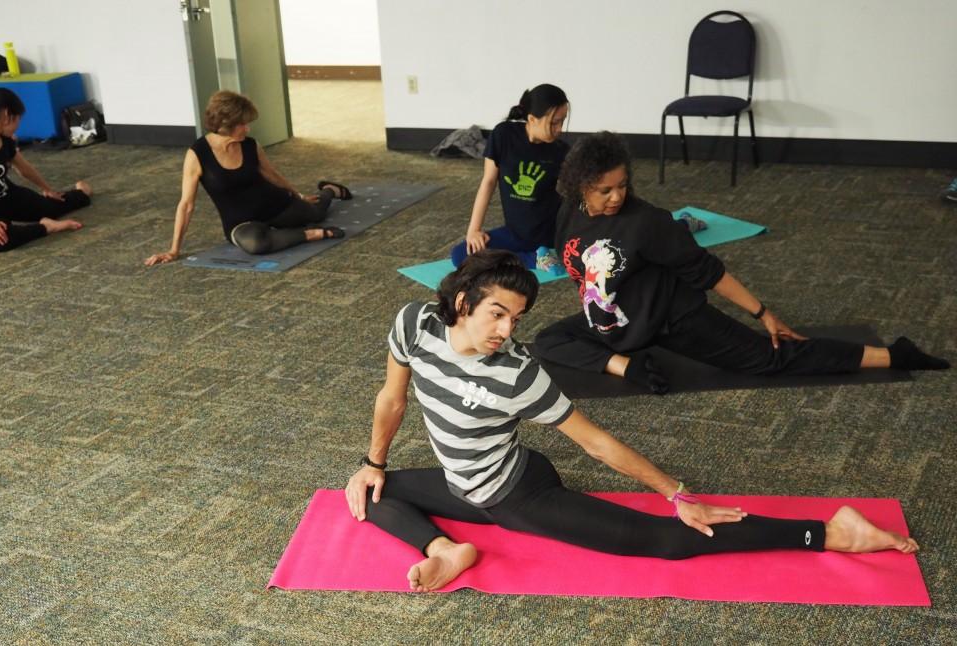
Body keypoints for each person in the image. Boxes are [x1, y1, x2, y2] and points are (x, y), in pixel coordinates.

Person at [345, 250, 918, 592]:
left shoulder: (519, 374)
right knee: (367, 493)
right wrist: (374, 462)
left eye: (516, 319)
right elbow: (392, 399)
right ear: (463, 299)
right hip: (456, 483)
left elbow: (596, 443)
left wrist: (677, 494)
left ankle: (833, 531)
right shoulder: (413, 325)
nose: (506, 331)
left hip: (516, 492)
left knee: (663, 543)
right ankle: (445, 549)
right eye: (498, 313)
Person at [534, 132, 949, 394]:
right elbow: (581, 277)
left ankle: (894, 355)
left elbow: (708, 272)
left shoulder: (649, 223)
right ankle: (628, 366)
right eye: (604, 190)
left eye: (623, 185)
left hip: (672, 319)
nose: (616, 196)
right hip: (616, 326)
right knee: (548, 340)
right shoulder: (569, 214)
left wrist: (763, 313)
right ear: (580, 187)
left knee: (768, 361)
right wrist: (623, 358)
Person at [144, 90, 350, 266]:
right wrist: (174, 250)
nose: (248, 128)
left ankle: (330, 190)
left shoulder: (250, 144)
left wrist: (297, 194)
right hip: (240, 222)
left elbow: (271, 174)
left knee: (316, 213)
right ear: (227, 124)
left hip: (274, 204)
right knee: (256, 245)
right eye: (243, 124)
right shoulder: (198, 154)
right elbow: (186, 204)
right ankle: (313, 234)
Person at [0, 88, 92, 253]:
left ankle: (82, 192)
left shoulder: (5, 140)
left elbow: (24, 169)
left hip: (8, 197)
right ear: (6, 115)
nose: (18, 125)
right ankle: (46, 227)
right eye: (18, 119)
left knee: (52, 207)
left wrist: (46, 189)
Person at [451, 84, 570, 270]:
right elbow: (488, 182)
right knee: (460, 255)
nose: (559, 129)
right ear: (532, 119)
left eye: (562, 122)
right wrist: (474, 230)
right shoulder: (503, 135)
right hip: (515, 233)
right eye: (554, 123)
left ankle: (542, 254)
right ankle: (535, 259)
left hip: (548, 234)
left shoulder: (561, 151)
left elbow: (572, 196)